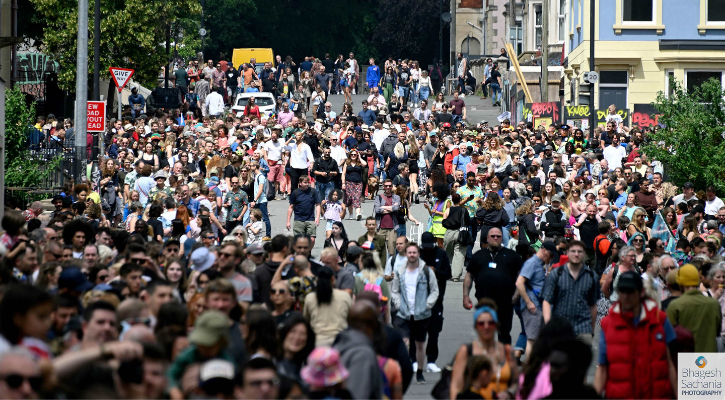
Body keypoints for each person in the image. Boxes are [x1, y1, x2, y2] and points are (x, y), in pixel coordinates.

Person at [595, 271, 676, 399]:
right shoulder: (608, 324)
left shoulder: (659, 320)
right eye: (622, 291)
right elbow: (602, 367)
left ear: (641, 292)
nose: (626, 296)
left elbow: (671, 364)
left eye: (631, 291)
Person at [450, 298, 518, 400]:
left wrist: (509, 393)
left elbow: (516, 383)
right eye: (481, 323)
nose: (486, 327)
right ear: (476, 326)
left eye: (490, 323)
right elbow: (456, 386)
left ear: (496, 326)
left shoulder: (507, 351)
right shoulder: (467, 351)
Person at [391, 242, 439, 384]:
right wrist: (399, 305)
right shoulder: (400, 270)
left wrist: (427, 305)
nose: (412, 255)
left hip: (421, 314)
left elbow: (435, 291)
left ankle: (419, 372)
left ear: (418, 254)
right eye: (409, 252)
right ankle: (404, 371)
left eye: (414, 252)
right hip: (404, 314)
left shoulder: (426, 271)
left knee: (419, 345)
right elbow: (395, 291)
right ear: (406, 254)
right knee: (404, 342)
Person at [464, 228, 522, 345]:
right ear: (487, 238)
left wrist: (516, 296)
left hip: (505, 302)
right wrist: (465, 296)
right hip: (484, 302)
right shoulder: (479, 256)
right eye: (493, 236)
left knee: (504, 333)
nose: (495, 238)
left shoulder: (512, 256)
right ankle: (484, 360)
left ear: (502, 238)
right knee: (484, 332)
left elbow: (521, 278)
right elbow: (469, 275)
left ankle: (505, 361)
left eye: (498, 236)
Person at [542, 241, 600, 345]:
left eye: (579, 251)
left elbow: (593, 305)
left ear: (584, 254)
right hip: (560, 329)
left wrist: (591, 330)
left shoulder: (591, 276)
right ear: (567, 253)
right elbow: (546, 301)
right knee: (561, 360)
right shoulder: (556, 274)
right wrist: (548, 326)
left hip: (583, 329)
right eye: (573, 251)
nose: (576, 254)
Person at [515, 241, 558, 358]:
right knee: (532, 340)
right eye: (551, 255)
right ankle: (530, 368)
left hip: (537, 306)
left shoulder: (539, 264)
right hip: (532, 307)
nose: (552, 258)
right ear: (545, 251)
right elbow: (519, 283)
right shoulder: (532, 263)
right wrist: (529, 303)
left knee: (536, 339)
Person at [666, 263, 722, 352]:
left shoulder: (675, 305)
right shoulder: (714, 304)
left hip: (685, 358)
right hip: (709, 358)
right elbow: (717, 332)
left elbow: (669, 337)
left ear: (680, 282)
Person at [303, 266, 352, 347]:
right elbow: (351, 319)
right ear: (333, 279)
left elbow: (306, 320)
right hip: (341, 343)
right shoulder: (345, 296)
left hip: (318, 343)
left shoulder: (310, 298)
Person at [286, 176, 321, 247]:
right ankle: (302, 254)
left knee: (312, 239)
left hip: (310, 219)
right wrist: (288, 221)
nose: (307, 184)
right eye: (305, 182)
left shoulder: (313, 191)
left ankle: (307, 253)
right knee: (299, 241)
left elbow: (318, 205)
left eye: (308, 182)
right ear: (300, 183)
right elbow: (291, 207)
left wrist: (317, 217)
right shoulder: (295, 193)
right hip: (298, 220)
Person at [374, 179, 401, 257]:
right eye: (386, 186)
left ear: (392, 187)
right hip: (380, 228)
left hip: (392, 228)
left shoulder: (396, 197)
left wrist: (383, 207)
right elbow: (377, 210)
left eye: (389, 186)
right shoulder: (378, 197)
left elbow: (396, 208)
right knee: (378, 252)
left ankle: (391, 268)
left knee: (392, 252)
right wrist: (391, 208)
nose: (388, 187)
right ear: (383, 187)